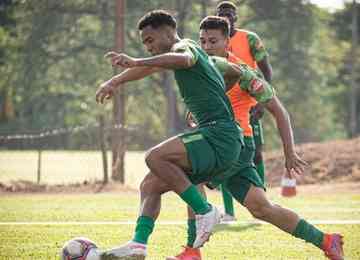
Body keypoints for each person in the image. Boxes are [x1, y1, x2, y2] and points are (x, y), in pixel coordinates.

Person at [166, 16, 344, 260]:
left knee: (191, 174)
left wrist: (289, 152)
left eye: (213, 41)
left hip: (236, 145)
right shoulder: (200, 68)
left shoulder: (244, 73)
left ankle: (192, 250)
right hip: (221, 143)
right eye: (203, 41)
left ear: (228, 41)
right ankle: (326, 240)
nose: (206, 47)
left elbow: (279, 111)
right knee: (262, 208)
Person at [95, 10, 245, 259]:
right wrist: (115, 81)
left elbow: (183, 59)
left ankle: (205, 211)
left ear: (168, 32)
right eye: (144, 43)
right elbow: (153, 67)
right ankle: (138, 245)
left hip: (221, 135)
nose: (148, 47)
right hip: (216, 136)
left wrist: (136, 60)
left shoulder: (185, 46)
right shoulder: (173, 54)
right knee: (150, 185)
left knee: (155, 157)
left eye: (150, 41)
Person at [216, 1, 272, 221]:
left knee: (256, 152)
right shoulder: (213, 40)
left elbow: (266, 70)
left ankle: (264, 202)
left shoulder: (250, 38)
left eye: (229, 14)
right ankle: (229, 212)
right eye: (222, 14)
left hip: (248, 103)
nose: (226, 17)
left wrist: (262, 102)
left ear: (235, 18)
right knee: (223, 156)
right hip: (222, 106)